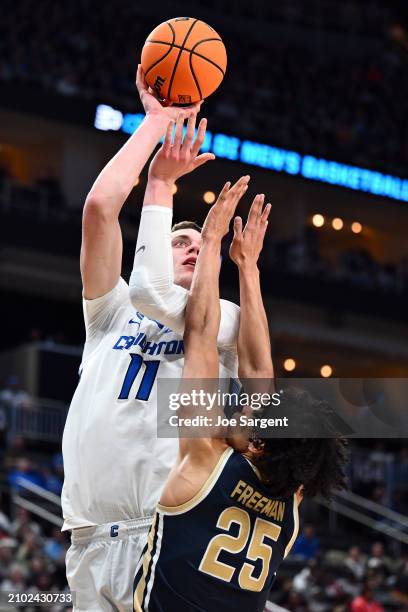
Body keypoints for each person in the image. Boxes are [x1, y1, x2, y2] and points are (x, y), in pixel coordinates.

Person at [62, 66, 243, 611]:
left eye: (197, 242)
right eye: (178, 239)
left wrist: (163, 185)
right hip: (88, 541)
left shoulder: (224, 322)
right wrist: (155, 123)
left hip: (166, 535)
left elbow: (156, 290)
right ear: (154, 247)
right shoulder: (112, 313)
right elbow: (99, 210)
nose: (189, 246)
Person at [134, 185, 348, 611]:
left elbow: (201, 335)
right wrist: (247, 268)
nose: (242, 406)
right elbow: (260, 377)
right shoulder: (292, 502)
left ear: (258, 442)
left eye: (248, 414)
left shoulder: (206, 461)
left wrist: (212, 245)